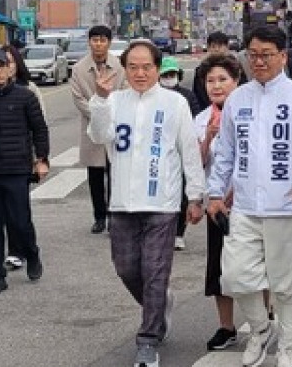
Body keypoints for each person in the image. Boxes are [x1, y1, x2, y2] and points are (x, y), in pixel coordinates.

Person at [207, 26, 292, 367]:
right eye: (253, 55)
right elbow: (226, 152)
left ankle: (288, 346)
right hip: (245, 206)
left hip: (290, 205)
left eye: (266, 55)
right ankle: (260, 330)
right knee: (235, 276)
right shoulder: (237, 98)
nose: (258, 62)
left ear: (283, 57)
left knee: (289, 285)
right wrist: (215, 192)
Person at [89, 40, 206, 367]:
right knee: (126, 269)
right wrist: (99, 99)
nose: (140, 73)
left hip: (162, 202)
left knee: (155, 271)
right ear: (124, 70)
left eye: (147, 67)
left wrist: (195, 195)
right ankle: (159, 304)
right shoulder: (113, 101)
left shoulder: (175, 103)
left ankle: (148, 340)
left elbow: (189, 150)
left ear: (158, 69)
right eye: (133, 67)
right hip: (122, 202)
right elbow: (99, 136)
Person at [0, 48, 50, 297]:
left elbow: (40, 129)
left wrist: (41, 160)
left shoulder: (25, 97)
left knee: (20, 222)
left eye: (1, 66)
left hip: (17, 169)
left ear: (9, 68)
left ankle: (32, 254)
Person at [192, 54, 249, 352]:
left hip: (250, 203)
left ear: (236, 80)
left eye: (222, 79)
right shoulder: (202, 119)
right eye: (210, 80)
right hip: (218, 207)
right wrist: (207, 139)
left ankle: (266, 317)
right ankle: (227, 326)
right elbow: (196, 163)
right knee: (219, 268)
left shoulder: (250, 111)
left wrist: (237, 190)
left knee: (257, 265)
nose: (216, 86)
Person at [71, 25, 126, 234]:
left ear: (109, 42)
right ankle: (99, 216)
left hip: (116, 126)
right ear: (89, 42)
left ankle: (114, 215)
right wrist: (98, 113)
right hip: (91, 127)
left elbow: (125, 93)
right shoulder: (78, 68)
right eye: (95, 40)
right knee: (94, 175)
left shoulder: (120, 66)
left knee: (116, 173)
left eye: (103, 40)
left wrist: (110, 114)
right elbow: (78, 99)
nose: (99, 44)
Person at [159, 57, 203, 251]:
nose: (169, 78)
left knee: (183, 194)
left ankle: (178, 233)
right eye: (165, 75)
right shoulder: (154, 96)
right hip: (160, 152)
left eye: (172, 75)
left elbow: (196, 119)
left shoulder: (186, 96)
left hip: (182, 149)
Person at [193, 31, 242, 106]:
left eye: (220, 46)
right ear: (208, 48)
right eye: (213, 46)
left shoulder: (236, 67)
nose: (216, 49)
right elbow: (198, 95)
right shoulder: (201, 70)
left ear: (227, 47)